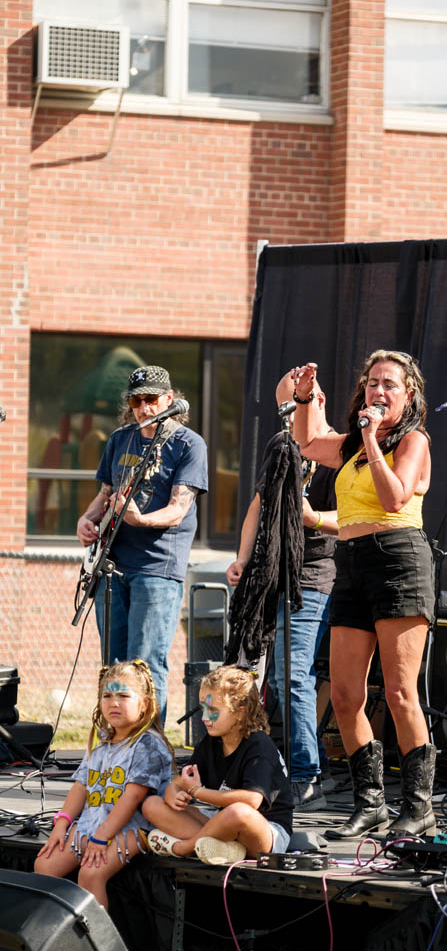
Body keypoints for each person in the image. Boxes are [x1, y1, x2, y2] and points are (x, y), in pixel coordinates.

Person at [291, 351, 435, 838]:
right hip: (350, 562)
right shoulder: (352, 443)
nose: (378, 391)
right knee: (345, 694)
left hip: (398, 560)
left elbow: (395, 497)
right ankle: (370, 803)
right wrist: (305, 398)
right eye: (372, 383)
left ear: (408, 394)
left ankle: (418, 807)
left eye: (389, 384)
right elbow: (309, 442)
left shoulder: (413, 440)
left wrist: (372, 439)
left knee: (399, 692)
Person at [226, 372, 338, 810]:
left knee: (291, 674)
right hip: (272, 572)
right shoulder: (282, 447)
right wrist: (242, 558)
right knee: (262, 674)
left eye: (293, 407)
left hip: (312, 574)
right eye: (283, 410)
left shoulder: (337, 451)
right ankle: (279, 766)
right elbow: (258, 506)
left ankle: (307, 775)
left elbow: (356, 516)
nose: (288, 417)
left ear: (316, 401)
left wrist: (313, 519)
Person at [76, 365, 208, 722]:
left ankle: (149, 745)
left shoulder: (188, 444)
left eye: (151, 399)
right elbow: (105, 493)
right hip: (113, 564)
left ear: (169, 399)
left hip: (157, 567)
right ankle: (115, 741)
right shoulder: (121, 439)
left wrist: (140, 519)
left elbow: (178, 510)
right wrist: (87, 519)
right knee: (113, 665)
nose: (143, 407)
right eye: (136, 401)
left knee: (145, 664)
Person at [34, 660, 174, 910]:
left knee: (91, 874)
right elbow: (81, 786)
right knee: (44, 865)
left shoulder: (147, 744)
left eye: (123, 696)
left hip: (133, 827)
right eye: (107, 696)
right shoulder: (102, 741)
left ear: (145, 704)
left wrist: (101, 838)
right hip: (94, 822)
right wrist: (61, 823)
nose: (114, 703)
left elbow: (132, 798)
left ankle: (96, 935)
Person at [143, 665, 293, 864]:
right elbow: (178, 784)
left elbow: (251, 801)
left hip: (266, 830)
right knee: (152, 804)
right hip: (221, 820)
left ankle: (185, 847)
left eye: (213, 710)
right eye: (203, 709)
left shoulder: (260, 747)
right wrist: (173, 795)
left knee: (238, 812)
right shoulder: (211, 741)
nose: (204, 718)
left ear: (240, 712)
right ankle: (223, 848)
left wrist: (197, 792)